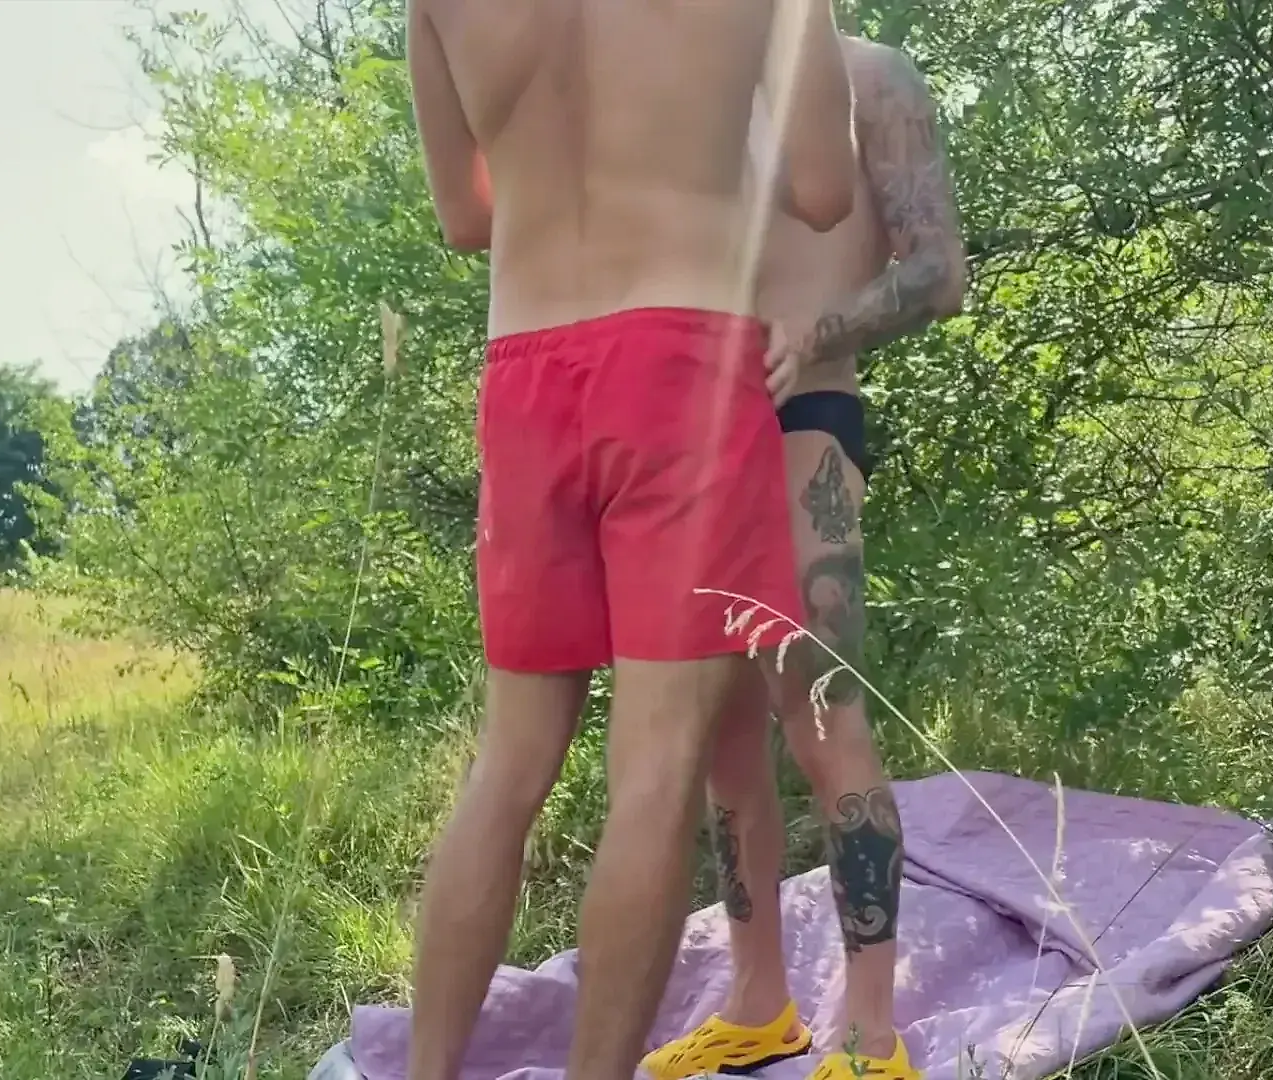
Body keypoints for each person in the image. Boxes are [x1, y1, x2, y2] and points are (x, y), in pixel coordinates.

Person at [400, 2, 861, 1079]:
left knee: (507, 768)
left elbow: (463, 219)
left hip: (526, 371)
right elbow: (824, 190)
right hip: (681, 359)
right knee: (654, 773)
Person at [640, 31, 967, 1080]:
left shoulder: (872, 76)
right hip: (689, 430)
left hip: (806, 416)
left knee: (824, 715)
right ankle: (758, 1003)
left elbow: (940, 273)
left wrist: (814, 331)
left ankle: (871, 1033)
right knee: (722, 734)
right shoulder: (688, 72)